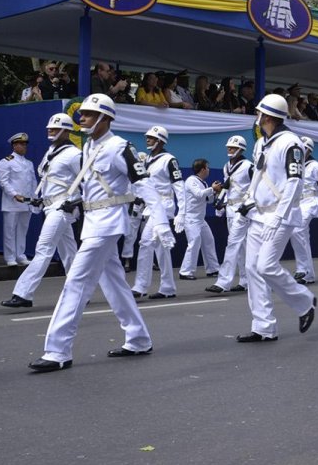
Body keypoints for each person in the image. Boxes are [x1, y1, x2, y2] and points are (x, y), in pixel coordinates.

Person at [28, 94, 174, 372]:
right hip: (92, 221)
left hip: (108, 224)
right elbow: (91, 188)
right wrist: (73, 202)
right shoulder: (88, 146)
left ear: (105, 118)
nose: (81, 118)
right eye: (82, 114)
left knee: (76, 282)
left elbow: (144, 185)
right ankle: (139, 338)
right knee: (114, 284)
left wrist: (161, 223)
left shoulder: (121, 147)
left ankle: (57, 350)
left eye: (89, 114)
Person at [235, 94, 317, 344]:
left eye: (258, 112)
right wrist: (248, 199)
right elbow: (259, 174)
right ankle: (264, 327)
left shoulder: (291, 143)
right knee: (252, 269)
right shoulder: (262, 143)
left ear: (268, 116)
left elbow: (295, 182)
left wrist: (279, 215)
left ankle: (304, 301)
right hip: (259, 214)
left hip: (281, 215)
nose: (256, 116)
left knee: (266, 266)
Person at [3, 114, 82, 308]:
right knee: (69, 253)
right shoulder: (51, 152)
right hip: (50, 206)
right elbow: (47, 179)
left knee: (44, 248)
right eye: (49, 128)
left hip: (62, 207)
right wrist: (39, 198)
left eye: (55, 128)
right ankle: (80, 291)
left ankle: (23, 293)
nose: (50, 130)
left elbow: (88, 182)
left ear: (66, 131)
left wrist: (75, 202)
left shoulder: (74, 154)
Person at [132, 125, 182, 300]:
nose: (148, 140)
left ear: (160, 140)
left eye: (152, 138)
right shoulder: (147, 160)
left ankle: (140, 286)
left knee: (145, 242)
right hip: (150, 206)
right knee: (161, 249)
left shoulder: (169, 159)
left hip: (163, 205)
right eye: (147, 137)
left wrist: (182, 212)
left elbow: (179, 186)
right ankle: (168, 287)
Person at [207, 135, 253, 294]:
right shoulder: (226, 166)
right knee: (240, 247)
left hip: (243, 209)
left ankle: (223, 282)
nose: (230, 149)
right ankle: (246, 280)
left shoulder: (248, 166)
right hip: (231, 208)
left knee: (233, 243)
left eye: (233, 147)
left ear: (241, 149)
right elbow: (228, 188)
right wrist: (221, 204)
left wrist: (248, 205)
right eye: (229, 147)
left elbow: (255, 188)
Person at [291, 136, 318, 285]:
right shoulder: (293, 164)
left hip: (310, 201)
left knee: (297, 230)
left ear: (309, 150)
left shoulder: (316, 166)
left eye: (304, 148)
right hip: (297, 203)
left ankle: (303, 269)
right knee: (300, 236)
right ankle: (308, 273)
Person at [178, 158, 221, 281]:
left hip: (201, 219)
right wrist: (212, 189)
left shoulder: (204, 183)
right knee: (194, 243)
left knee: (209, 241)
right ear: (202, 169)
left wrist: (215, 192)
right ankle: (185, 271)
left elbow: (208, 200)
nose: (208, 170)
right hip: (191, 218)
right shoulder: (191, 180)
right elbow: (199, 194)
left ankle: (213, 269)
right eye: (207, 167)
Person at [0, 132, 37, 267]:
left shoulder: (29, 163)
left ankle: (20, 255)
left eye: (25, 144)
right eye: (21, 144)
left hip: (27, 202)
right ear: (14, 145)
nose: (24, 146)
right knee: (10, 231)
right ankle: (10, 257)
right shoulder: (6, 161)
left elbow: (33, 182)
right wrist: (15, 194)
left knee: (22, 230)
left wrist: (34, 199)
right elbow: (3, 182)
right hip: (12, 202)